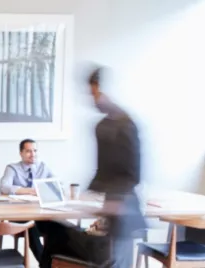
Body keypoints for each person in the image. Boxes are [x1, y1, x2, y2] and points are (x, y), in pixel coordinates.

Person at [36, 66, 145, 268]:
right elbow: (102, 173)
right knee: (50, 228)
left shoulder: (126, 125)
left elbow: (132, 176)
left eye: (95, 94)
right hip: (107, 223)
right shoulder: (102, 127)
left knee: (55, 234)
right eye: (92, 94)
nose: (94, 101)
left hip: (119, 225)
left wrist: (112, 206)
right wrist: (86, 201)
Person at [0, 138, 55, 261]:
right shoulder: (12, 168)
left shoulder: (43, 167)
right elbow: (4, 187)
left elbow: (56, 185)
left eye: (35, 150)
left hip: (40, 214)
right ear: (21, 153)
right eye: (28, 151)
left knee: (58, 225)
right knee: (30, 227)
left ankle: (58, 261)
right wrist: (29, 190)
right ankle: (45, 263)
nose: (33, 154)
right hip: (19, 215)